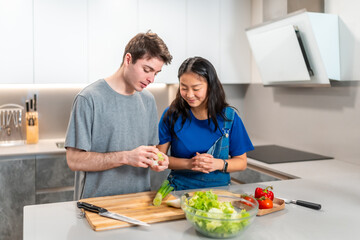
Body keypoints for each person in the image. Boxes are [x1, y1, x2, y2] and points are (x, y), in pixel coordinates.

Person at [65, 31, 172, 200]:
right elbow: (74, 160)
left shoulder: (148, 100)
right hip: (95, 206)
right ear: (128, 60)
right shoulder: (89, 98)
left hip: (138, 202)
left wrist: (158, 160)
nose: (151, 78)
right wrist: (126, 157)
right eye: (147, 69)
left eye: (156, 73)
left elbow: (151, 151)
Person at [157, 56, 254, 191]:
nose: (189, 95)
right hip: (178, 191)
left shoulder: (229, 118)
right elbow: (159, 158)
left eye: (196, 88)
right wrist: (189, 164)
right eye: (184, 87)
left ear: (210, 86)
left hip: (218, 195)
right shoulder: (171, 115)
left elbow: (242, 162)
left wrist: (217, 164)